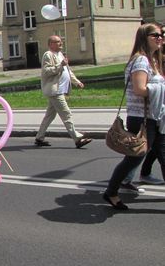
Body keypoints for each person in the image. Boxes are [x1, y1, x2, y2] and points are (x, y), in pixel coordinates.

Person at [103, 23, 165, 210]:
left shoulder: (153, 60)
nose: (160, 38)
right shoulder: (140, 61)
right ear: (143, 37)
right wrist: (161, 88)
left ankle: (112, 190)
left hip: (156, 117)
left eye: (161, 35)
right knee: (133, 159)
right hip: (142, 119)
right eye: (155, 35)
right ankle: (111, 192)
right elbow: (139, 89)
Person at [34, 36, 92, 148]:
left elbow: (68, 71)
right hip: (55, 91)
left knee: (49, 116)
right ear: (51, 44)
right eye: (58, 42)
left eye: (61, 41)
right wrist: (60, 65)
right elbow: (46, 71)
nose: (61, 43)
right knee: (66, 114)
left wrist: (76, 82)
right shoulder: (48, 55)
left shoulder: (60, 54)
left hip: (60, 90)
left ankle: (39, 137)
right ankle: (77, 138)